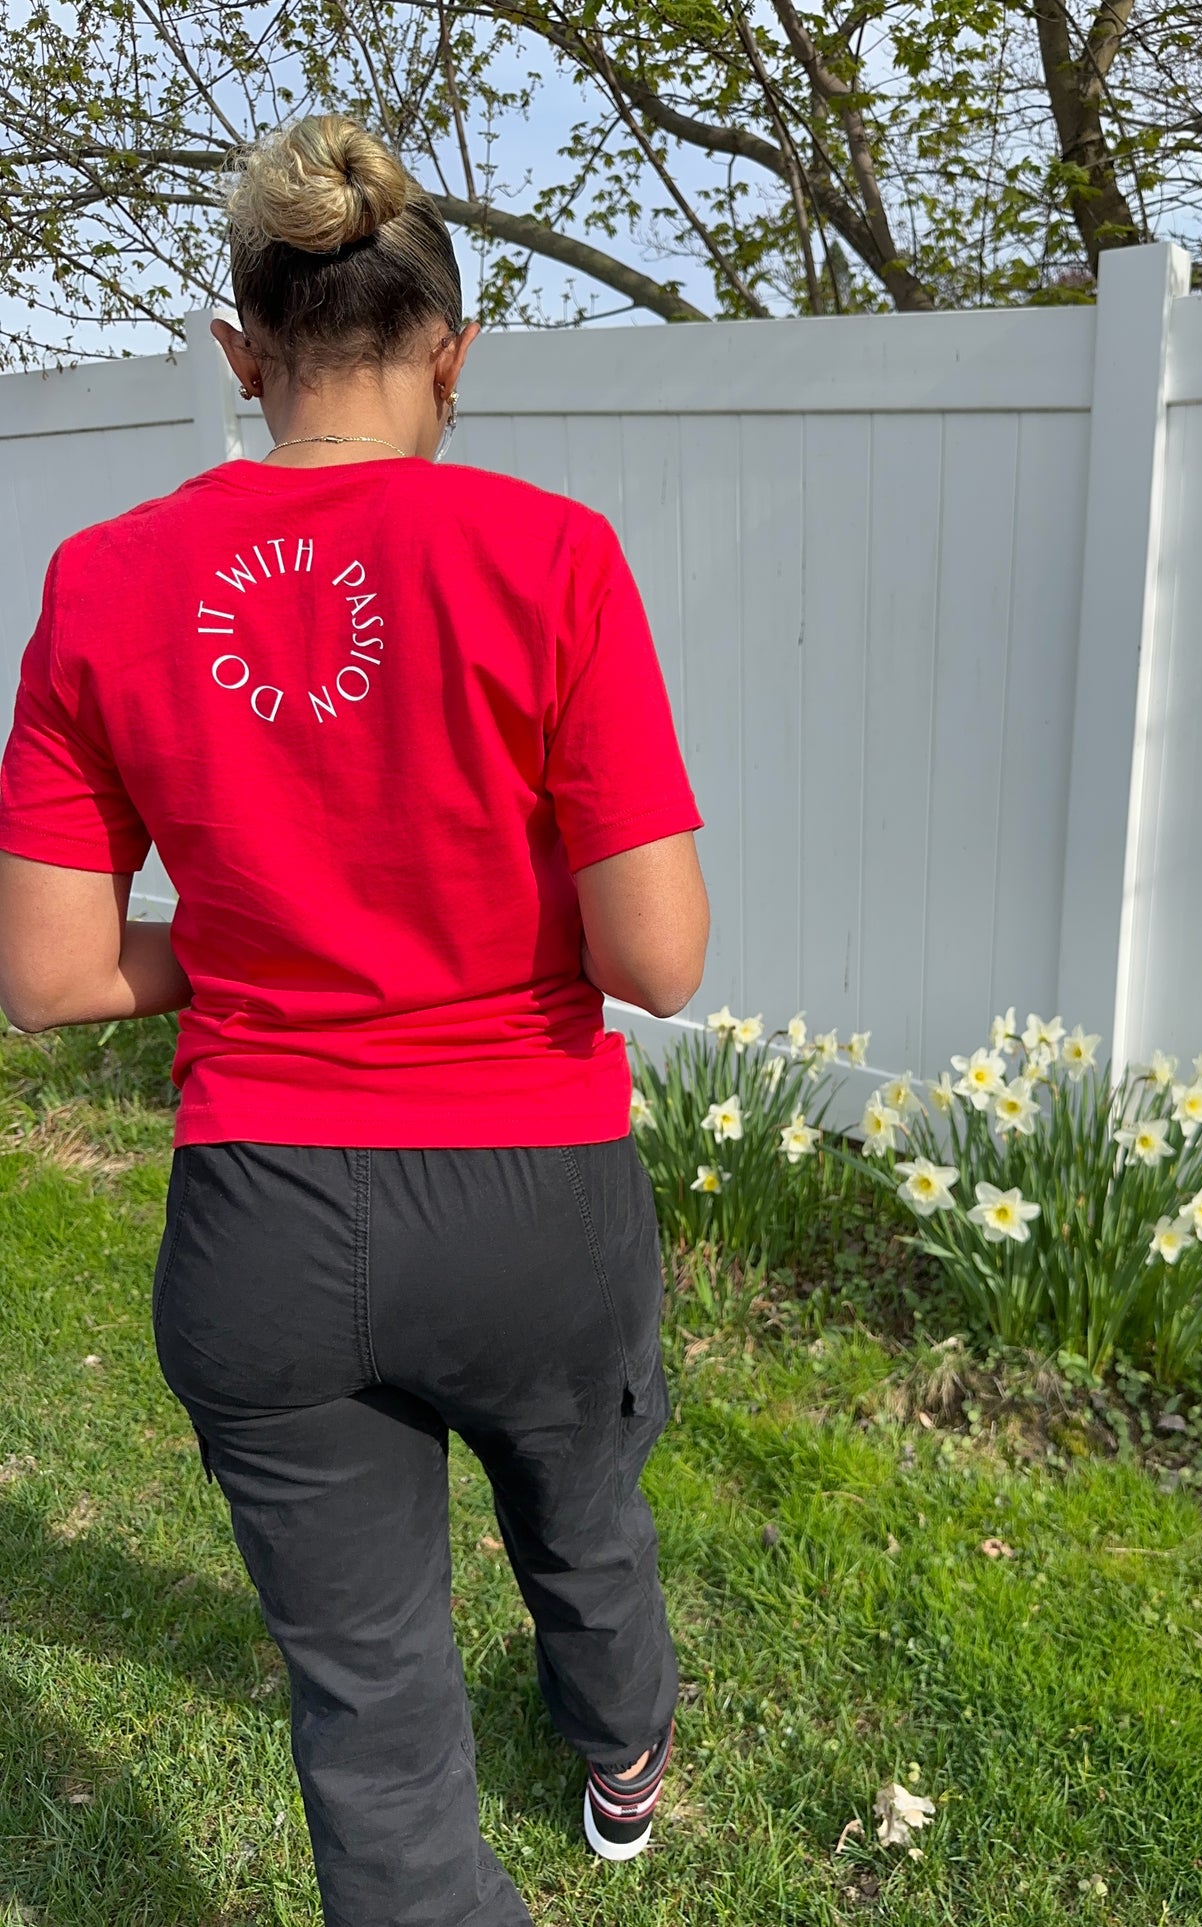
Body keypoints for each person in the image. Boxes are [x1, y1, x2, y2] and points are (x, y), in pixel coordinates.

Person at [0, 113, 709, 1926]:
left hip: (271, 1218)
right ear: (453, 352)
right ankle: (620, 1752)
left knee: (370, 1702)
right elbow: (659, 955)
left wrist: (251, 935)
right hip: (535, 1193)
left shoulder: (98, 585)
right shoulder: (552, 555)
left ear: (243, 357)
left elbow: (56, 979)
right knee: (583, 1508)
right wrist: (453, 912)